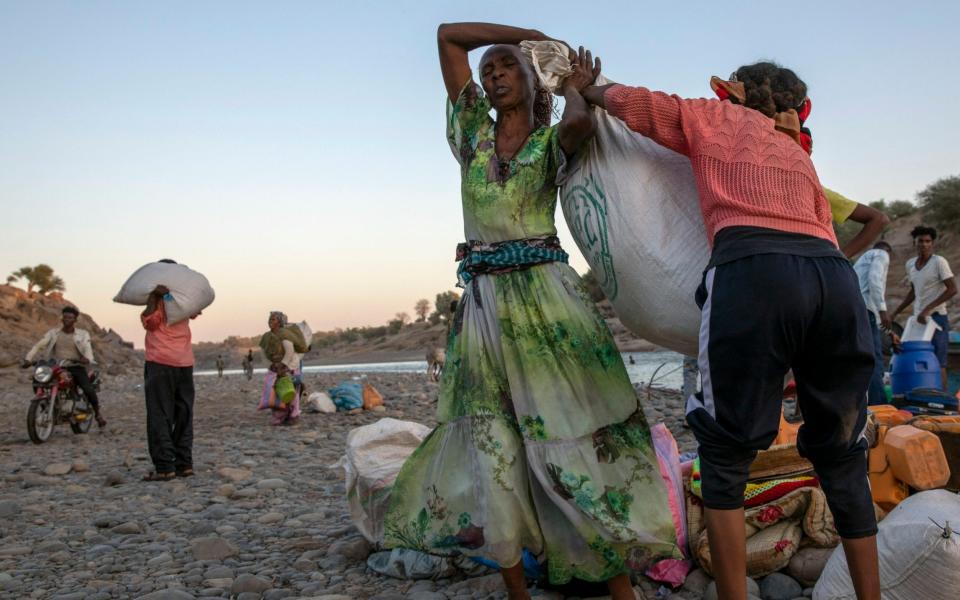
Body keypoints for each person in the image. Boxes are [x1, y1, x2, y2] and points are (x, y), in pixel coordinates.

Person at [383, 23, 679, 600]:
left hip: (549, 309)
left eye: (508, 66)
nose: (494, 75)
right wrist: (528, 36)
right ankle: (517, 589)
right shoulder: (470, 135)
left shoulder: (551, 142)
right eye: (489, 69)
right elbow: (448, 37)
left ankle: (621, 586)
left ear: (531, 80)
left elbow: (578, 122)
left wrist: (569, 78)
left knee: (575, 439)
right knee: (494, 445)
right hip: (486, 313)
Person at [583, 63, 880, 600]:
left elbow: (638, 104)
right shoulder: (796, 150)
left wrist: (586, 86)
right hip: (834, 281)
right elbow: (825, 224)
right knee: (842, 450)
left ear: (733, 91)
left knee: (725, 455)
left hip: (753, 271)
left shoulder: (709, 116)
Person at [141, 259, 197, 481]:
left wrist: (155, 297)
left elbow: (150, 323)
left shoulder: (159, 299)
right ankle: (185, 464)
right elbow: (195, 310)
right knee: (184, 412)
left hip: (160, 361)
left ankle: (165, 467)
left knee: (159, 414)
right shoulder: (181, 299)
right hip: (184, 362)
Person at [892, 225, 957, 390]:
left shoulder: (939, 262)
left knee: (939, 361)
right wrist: (896, 312)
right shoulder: (911, 264)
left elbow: (952, 289)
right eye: (920, 241)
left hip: (936, 318)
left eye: (928, 241)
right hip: (919, 320)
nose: (924, 244)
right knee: (919, 359)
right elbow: (914, 291)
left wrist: (928, 308)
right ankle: (922, 396)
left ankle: (942, 402)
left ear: (932, 243)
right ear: (915, 243)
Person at [24, 305, 107, 428]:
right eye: (65, 317)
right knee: (38, 381)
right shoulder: (53, 333)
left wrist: (87, 359)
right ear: (62, 318)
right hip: (56, 365)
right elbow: (38, 345)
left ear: (75, 320)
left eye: (70, 317)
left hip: (75, 366)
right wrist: (28, 359)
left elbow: (87, 348)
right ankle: (46, 405)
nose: (67, 319)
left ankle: (98, 414)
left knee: (87, 388)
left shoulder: (83, 334)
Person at [853, 242, 894, 404]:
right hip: (867, 311)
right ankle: (878, 403)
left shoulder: (863, 259)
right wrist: (883, 310)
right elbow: (874, 279)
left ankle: (863, 403)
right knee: (874, 358)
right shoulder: (881, 254)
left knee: (860, 357)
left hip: (855, 309)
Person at [258, 311, 303, 426]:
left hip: (289, 366)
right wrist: (271, 365)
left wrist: (283, 365)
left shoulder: (285, 334)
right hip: (274, 368)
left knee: (291, 391)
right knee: (274, 391)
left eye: (273, 319)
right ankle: (279, 417)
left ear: (279, 322)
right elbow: (263, 354)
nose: (270, 322)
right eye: (269, 319)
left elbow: (289, 351)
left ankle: (293, 415)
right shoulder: (266, 337)